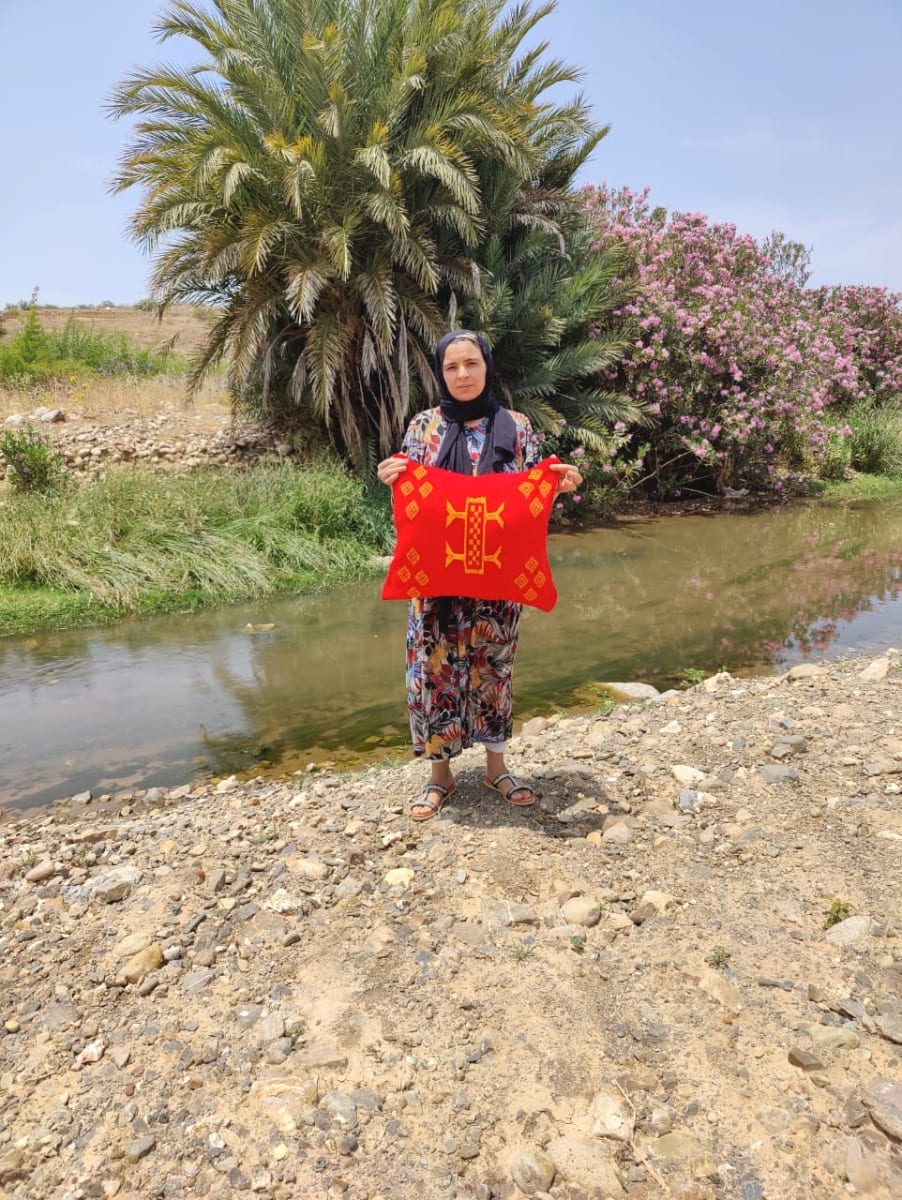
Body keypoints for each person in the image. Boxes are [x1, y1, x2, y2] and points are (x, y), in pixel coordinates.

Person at [377, 330, 582, 820]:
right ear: (441, 373)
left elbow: (533, 494)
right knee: (434, 670)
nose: (463, 375)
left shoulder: (516, 425)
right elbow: (412, 504)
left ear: (487, 366)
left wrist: (562, 483)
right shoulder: (423, 427)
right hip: (436, 580)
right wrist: (392, 479)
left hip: (498, 580)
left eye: (471, 363)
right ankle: (439, 777)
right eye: (452, 367)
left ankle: (496, 767)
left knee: (494, 668)